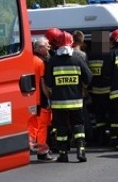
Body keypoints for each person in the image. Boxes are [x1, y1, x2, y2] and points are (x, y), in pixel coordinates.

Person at [44, 31, 93, 162]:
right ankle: (81, 151)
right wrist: (82, 87)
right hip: (76, 101)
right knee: (78, 125)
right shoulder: (77, 59)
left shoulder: (52, 61)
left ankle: (63, 154)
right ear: (71, 43)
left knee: (61, 127)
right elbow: (88, 77)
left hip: (59, 102)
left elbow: (48, 82)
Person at [28, 37, 55, 162]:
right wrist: (49, 98)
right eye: (47, 46)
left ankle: (29, 146)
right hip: (40, 99)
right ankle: (42, 152)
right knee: (43, 126)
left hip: (29, 99)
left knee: (32, 125)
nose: (49, 47)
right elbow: (43, 83)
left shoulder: (28, 60)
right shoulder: (41, 62)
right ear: (39, 48)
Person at [86, 30, 112, 146]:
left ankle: (101, 137)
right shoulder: (108, 55)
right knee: (111, 114)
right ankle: (112, 137)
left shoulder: (90, 55)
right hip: (107, 90)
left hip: (95, 91)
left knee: (99, 115)